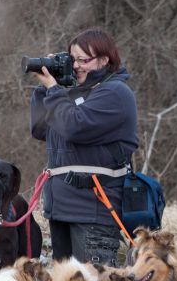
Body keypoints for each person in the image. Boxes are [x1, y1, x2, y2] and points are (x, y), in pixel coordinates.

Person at [30, 29, 138, 266]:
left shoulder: (115, 93)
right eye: (72, 59)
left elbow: (74, 126)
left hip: (94, 209)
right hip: (60, 208)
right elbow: (40, 130)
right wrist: (44, 88)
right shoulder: (73, 95)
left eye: (83, 60)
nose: (76, 66)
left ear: (104, 60)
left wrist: (54, 90)